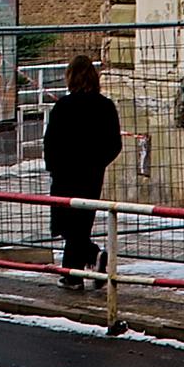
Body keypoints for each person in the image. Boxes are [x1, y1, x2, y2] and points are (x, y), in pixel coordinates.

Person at [43, 54, 123, 274]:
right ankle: (75, 272)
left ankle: (85, 262)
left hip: (65, 174)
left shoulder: (63, 107)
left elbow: (50, 141)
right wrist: (98, 163)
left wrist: (53, 166)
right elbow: (114, 143)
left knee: (67, 225)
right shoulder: (105, 106)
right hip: (91, 174)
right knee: (81, 223)